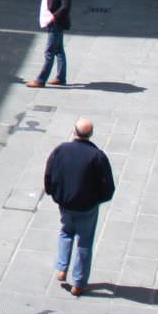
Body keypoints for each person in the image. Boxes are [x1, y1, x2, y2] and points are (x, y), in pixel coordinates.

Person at [44, 119, 115, 296]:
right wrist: (98, 200)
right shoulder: (97, 156)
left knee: (66, 232)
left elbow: (49, 173)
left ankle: (62, 268)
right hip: (87, 207)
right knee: (85, 242)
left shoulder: (61, 150)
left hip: (65, 203)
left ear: (74, 131)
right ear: (90, 134)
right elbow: (108, 187)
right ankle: (79, 283)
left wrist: (54, 194)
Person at [26, 0, 72, 88]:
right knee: (58, 50)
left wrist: (54, 17)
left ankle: (41, 80)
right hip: (51, 20)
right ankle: (61, 78)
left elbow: (66, 5)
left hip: (56, 22)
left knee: (49, 52)